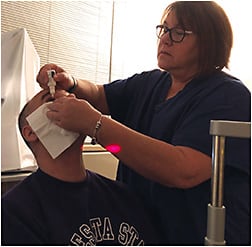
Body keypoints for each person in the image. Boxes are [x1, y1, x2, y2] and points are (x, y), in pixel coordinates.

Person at [36, 1, 251, 245]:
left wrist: (94, 124)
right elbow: (98, 94)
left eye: (179, 33)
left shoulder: (228, 96)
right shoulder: (151, 83)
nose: (165, 40)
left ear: (209, 41)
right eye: (164, 29)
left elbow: (184, 171)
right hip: (145, 233)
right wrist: (72, 83)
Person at [1, 89, 163, 246]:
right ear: (31, 132)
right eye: (51, 100)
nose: (72, 103)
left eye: (73, 97)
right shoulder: (15, 212)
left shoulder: (124, 197)